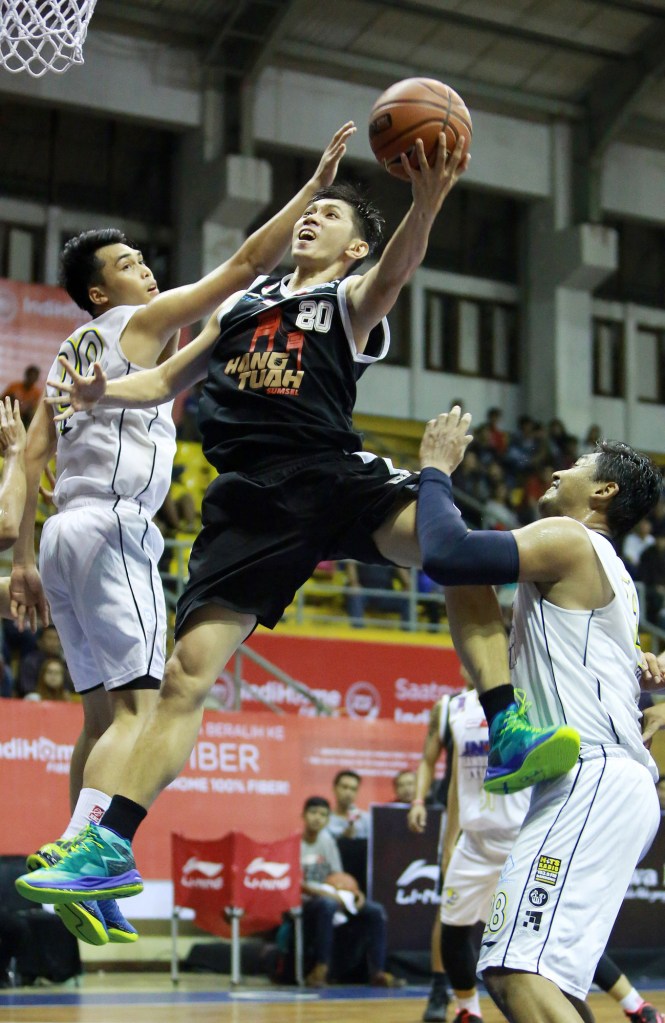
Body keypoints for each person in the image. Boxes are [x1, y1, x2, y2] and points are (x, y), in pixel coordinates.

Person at [19, 135, 577, 915]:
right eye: (309, 212)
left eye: (329, 216)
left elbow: (398, 269)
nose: (311, 219)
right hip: (249, 503)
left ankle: (506, 722)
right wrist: (100, 392)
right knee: (184, 676)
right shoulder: (239, 308)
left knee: (449, 547)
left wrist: (425, 203)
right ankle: (111, 844)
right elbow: (163, 378)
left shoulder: (347, 301)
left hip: (332, 474)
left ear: (353, 247)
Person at [10, 122, 358, 944]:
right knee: (141, 713)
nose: (146, 269)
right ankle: (81, 853)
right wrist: (311, 192)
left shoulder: (68, 353)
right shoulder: (135, 324)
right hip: (114, 529)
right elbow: (242, 267)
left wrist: (22, 557)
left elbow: (29, 453)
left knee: (99, 720)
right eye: (128, 264)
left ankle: (81, 873)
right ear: (101, 293)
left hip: (60, 534)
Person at [414, 406, 664, 1022]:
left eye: (578, 465)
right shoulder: (616, 577)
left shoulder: (571, 539)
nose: (559, 469)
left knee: (515, 972)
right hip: (602, 781)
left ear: (604, 491)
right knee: (550, 980)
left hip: (592, 779)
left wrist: (436, 472)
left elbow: (448, 553)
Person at [411, 685, 664, 1023]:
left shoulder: (525, 692)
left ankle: (634, 1004)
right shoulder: (452, 708)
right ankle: (467, 1010)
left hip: (521, 836)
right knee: (463, 934)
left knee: (532, 956)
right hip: (474, 842)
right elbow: (458, 783)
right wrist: (447, 841)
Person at [300, 795, 402, 988]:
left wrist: (355, 893)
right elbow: (297, 884)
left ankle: (378, 971)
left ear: (327, 820)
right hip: (306, 901)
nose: (317, 818)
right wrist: (329, 895)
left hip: (333, 896)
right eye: (313, 813)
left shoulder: (327, 841)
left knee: (375, 910)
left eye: (322, 814)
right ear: (303, 815)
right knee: (327, 905)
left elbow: (339, 876)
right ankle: (321, 968)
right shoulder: (295, 843)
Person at [344, 561, 411, 628]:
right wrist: (353, 582)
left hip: (386, 595)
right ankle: (357, 629)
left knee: (408, 598)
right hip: (364, 592)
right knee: (355, 596)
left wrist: (407, 585)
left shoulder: (391, 556)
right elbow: (351, 565)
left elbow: (405, 579)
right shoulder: (360, 554)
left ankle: (408, 631)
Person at [327, 770, 370, 840]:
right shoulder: (325, 819)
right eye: (344, 787)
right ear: (334, 789)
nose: (348, 792)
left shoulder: (366, 819)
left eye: (353, 789)